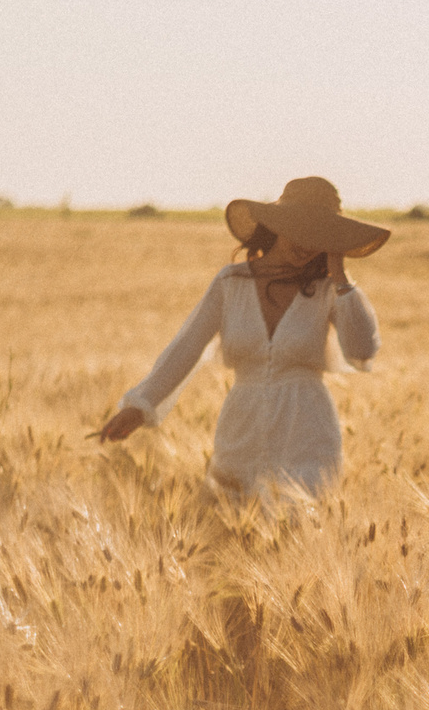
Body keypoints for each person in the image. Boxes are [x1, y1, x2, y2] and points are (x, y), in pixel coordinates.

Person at [96, 176, 386, 496]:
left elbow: (362, 350)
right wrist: (140, 405)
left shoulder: (329, 289)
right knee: (231, 523)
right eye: (300, 231)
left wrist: (340, 275)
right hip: (241, 431)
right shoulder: (231, 282)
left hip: (306, 433)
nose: (308, 244)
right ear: (278, 226)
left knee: (298, 520)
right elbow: (187, 347)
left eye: (319, 235)